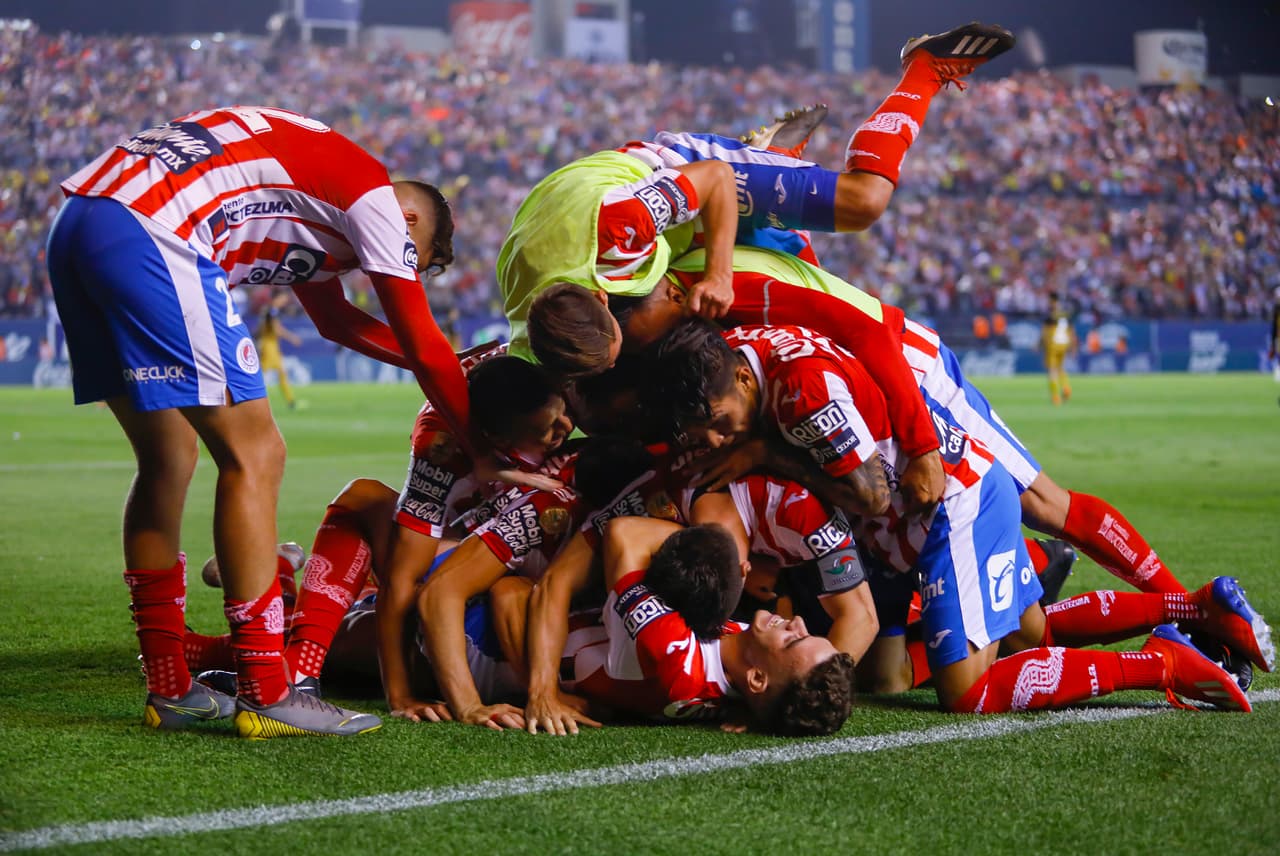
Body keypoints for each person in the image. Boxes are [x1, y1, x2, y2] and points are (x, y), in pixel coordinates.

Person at [46, 105, 470, 738]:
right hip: (155, 230)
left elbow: (335, 321)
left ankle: (169, 687)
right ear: (409, 226)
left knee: (169, 459)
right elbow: (419, 335)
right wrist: (481, 441)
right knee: (257, 454)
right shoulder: (378, 201)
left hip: (82, 219)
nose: (384, 270)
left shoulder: (325, 205)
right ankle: (269, 690)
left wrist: (447, 364)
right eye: (414, 260)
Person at [651, 322, 1270, 714]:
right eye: (698, 428)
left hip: (941, 490)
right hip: (897, 509)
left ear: (739, 376)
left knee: (967, 690)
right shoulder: (745, 351)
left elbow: (866, 494)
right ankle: (1190, 608)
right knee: (993, 651)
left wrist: (767, 452)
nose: (712, 438)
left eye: (715, 417)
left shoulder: (800, 397)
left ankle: (1164, 661)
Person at [570, 246, 1202, 601]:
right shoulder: (672, 362)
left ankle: (1181, 608)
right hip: (833, 401)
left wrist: (923, 441)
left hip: (904, 373)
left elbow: (865, 327)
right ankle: (1034, 569)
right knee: (911, 530)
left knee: (1040, 499)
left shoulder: (721, 292)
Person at [500, 21, 1017, 355]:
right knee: (799, 265)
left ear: (598, 297)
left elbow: (716, 181)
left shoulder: (616, 233)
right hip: (640, 219)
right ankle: (775, 159)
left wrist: (720, 276)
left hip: (689, 171)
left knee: (863, 203)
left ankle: (922, 70)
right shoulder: (534, 329)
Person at [255, 294, 303, 409]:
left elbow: (262, 328)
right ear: (276, 298)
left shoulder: (269, 310)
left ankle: (291, 401)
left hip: (271, 344)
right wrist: (292, 337)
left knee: (281, 373)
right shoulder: (272, 311)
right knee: (262, 374)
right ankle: (253, 400)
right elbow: (276, 329)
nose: (284, 301)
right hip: (268, 345)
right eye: (283, 298)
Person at [1040, 294, 1076, 405]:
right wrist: (1072, 346)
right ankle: (1066, 387)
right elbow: (1071, 332)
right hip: (1064, 344)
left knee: (1052, 370)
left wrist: (1039, 345)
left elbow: (1045, 333)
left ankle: (1055, 396)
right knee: (1060, 368)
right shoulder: (1066, 315)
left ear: (1052, 301)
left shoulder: (1050, 316)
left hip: (1053, 344)